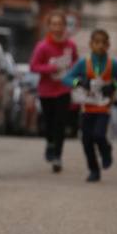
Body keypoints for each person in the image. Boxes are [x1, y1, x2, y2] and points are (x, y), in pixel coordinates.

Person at [62, 29, 117, 182]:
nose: (100, 46)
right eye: (97, 43)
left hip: (103, 107)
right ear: (91, 44)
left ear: (108, 45)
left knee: (98, 135)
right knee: (86, 140)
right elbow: (66, 78)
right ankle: (94, 170)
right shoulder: (84, 62)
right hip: (87, 107)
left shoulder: (113, 64)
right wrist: (79, 82)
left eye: (104, 43)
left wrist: (114, 85)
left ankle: (106, 150)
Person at [30, 10, 78, 173]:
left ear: (65, 26)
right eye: (54, 24)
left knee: (60, 123)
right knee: (49, 124)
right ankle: (50, 143)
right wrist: (51, 67)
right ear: (49, 26)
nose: (57, 27)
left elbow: (76, 63)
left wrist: (75, 74)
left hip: (63, 90)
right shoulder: (43, 46)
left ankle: (57, 156)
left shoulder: (70, 46)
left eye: (60, 24)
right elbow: (33, 66)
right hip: (46, 91)